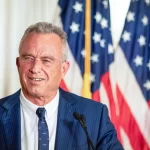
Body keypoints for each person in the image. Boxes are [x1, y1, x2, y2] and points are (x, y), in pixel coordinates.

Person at [0, 22, 123, 150]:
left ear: (63, 69)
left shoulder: (94, 116)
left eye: (46, 60)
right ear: (18, 64)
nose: (35, 68)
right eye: (29, 58)